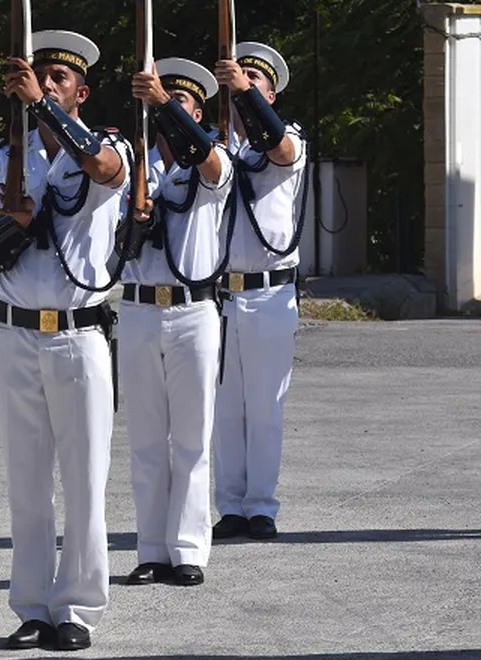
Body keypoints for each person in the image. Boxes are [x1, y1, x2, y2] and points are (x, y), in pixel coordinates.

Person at [0, 30, 128, 651]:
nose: (45, 83)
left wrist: (43, 107)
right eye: (38, 75)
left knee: (84, 480)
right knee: (27, 480)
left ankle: (78, 610)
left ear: (79, 93)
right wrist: (14, 216)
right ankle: (33, 606)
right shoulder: (2, 157)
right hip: (15, 334)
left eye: (58, 78)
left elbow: (105, 170)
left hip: (77, 334)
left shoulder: (108, 143)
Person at [121, 58, 233, 587]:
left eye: (182, 102)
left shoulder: (215, 159)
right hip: (139, 309)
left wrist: (164, 104)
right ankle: (151, 548)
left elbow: (209, 164)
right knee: (146, 440)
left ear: (197, 113)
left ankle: (187, 549)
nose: (165, 112)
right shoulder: (132, 165)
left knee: (191, 439)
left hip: (192, 311)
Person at [210, 42, 305, 541]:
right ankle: (230, 505)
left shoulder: (289, 137)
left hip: (270, 293)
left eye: (254, 82)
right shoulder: (218, 149)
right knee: (226, 409)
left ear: (269, 95)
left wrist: (244, 93)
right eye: (237, 81)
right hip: (222, 294)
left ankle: (262, 505)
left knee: (266, 405)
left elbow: (279, 150)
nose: (242, 87)